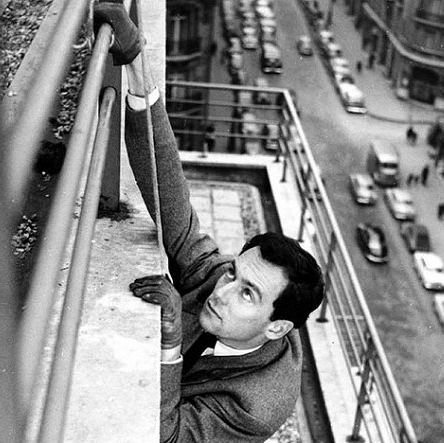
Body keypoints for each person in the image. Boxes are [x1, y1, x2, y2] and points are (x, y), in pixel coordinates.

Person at [93, 3, 325, 442]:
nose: (222, 290)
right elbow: (175, 210)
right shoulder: (222, 280)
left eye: (247, 293)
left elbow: (168, 437)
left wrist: (169, 340)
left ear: (276, 328)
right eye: (235, 272)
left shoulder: (258, 406)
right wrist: (137, 65)